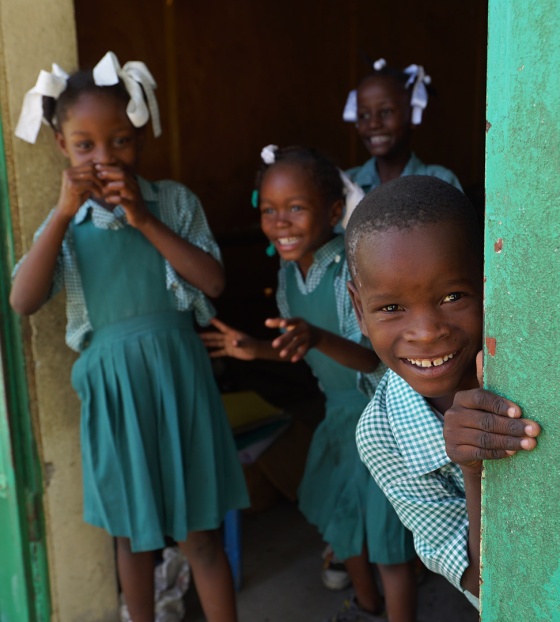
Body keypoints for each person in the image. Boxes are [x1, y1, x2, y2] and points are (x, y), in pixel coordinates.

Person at [10, 51, 249, 622]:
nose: (104, 157)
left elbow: (212, 281)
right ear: (63, 148)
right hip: (113, 392)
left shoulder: (171, 201)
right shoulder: (64, 224)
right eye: (86, 145)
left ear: (139, 138)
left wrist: (144, 219)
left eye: (119, 141)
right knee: (132, 539)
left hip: (179, 380)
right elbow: (22, 299)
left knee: (201, 538)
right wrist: (62, 216)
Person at [201, 145, 418, 622]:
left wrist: (316, 335)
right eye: (268, 210)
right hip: (339, 417)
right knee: (344, 526)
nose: (280, 222)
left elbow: (370, 359)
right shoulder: (286, 277)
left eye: (296, 208)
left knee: (387, 546)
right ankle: (365, 608)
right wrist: (255, 349)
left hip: (380, 417)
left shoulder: (349, 270)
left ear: (335, 212)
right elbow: (302, 348)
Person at [345, 175, 541, 608]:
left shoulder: (539, 356)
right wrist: (472, 470)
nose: (427, 332)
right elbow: (483, 585)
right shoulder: (383, 435)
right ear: (359, 309)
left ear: (488, 280)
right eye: (391, 308)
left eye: (453, 296)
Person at [339, 58, 461, 227]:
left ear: (413, 115)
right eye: (364, 115)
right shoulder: (348, 184)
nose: (374, 123)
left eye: (386, 112)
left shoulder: (439, 182)